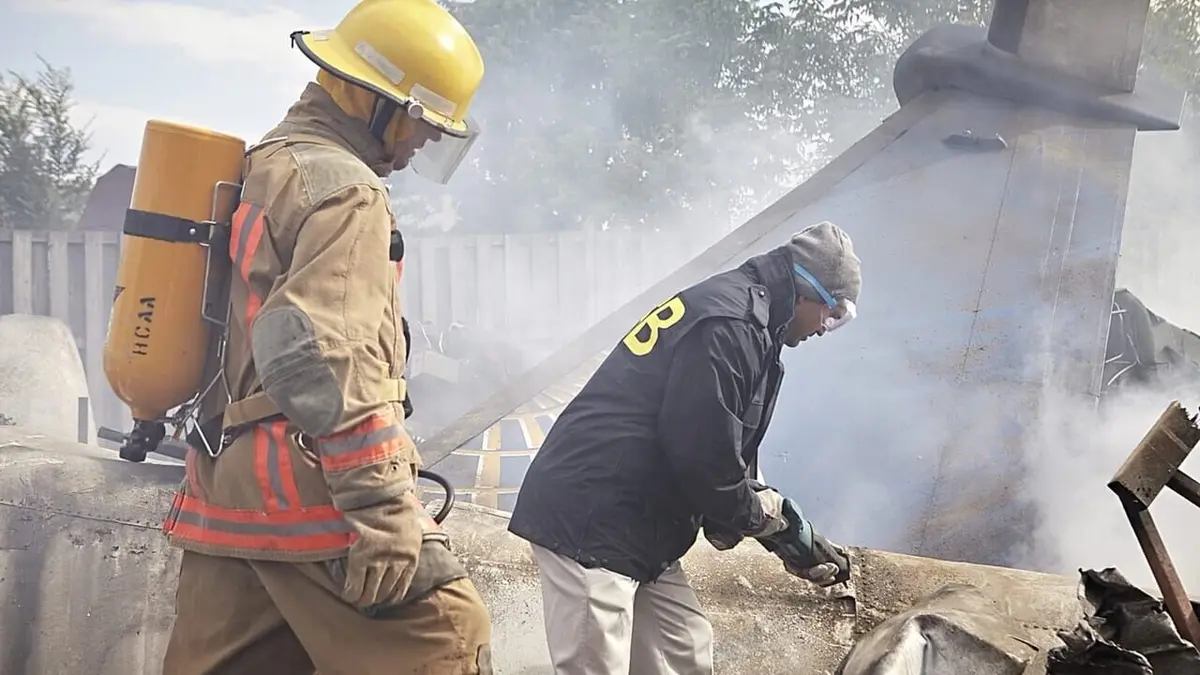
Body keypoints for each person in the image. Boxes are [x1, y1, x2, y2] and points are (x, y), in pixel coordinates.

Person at [160, 1, 493, 673]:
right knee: (450, 632)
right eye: (419, 123)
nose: (421, 144)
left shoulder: (268, 164)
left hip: (224, 492)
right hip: (305, 491)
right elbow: (320, 350)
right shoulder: (348, 191)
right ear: (377, 103)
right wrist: (381, 507)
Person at [508, 222, 862, 675]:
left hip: (640, 519)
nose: (825, 330)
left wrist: (781, 531)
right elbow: (705, 463)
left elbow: (722, 449)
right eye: (832, 315)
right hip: (593, 516)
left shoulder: (754, 327)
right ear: (804, 292)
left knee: (684, 654)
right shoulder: (730, 324)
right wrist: (770, 522)